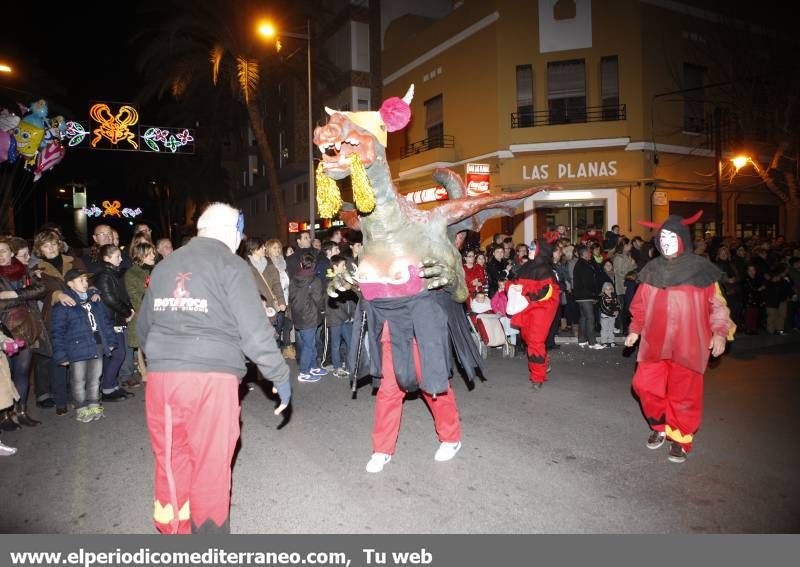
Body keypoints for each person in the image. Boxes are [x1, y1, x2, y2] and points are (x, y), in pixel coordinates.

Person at [137, 203, 290, 534]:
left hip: (163, 379)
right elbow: (254, 332)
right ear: (232, 232)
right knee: (210, 464)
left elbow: (144, 327)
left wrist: (166, 359)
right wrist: (278, 374)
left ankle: (173, 536)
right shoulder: (231, 265)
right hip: (211, 379)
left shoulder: (165, 267)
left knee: (170, 460)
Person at [625, 211, 735, 464]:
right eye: (662, 237)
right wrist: (634, 329)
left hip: (689, 344)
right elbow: (639, 306)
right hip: (655, 343)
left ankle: (681, 438)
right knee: (643, 385)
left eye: (671, 236)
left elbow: (717, 305)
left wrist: (719, 333)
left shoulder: (701, 270)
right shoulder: (652, 270)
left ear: (682, 238)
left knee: (684, 395)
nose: (665, 241)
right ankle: (660, 425)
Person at [30, 230, 88, 415]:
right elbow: (37, 292)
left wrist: (92, 291)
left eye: (53, 244)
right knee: (59, 359)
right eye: (46, 246)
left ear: (59, 244)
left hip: (78, 315)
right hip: (54, 318)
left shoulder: (74, 261)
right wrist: (56, 294)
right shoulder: (37, 269)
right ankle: (60, 399)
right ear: (40, 249)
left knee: (77, 356)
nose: (51, 249)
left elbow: (85, 280)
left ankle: (75, 393)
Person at [51, 268, 118, 423]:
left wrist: (111, 341)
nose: (85, 283)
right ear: (70, 284)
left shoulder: (94, 300)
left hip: (97, 344)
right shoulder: (63, 304)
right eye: (81, 280)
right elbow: (57, 331)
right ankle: (81, 408)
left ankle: (94, 404)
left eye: (86, 280)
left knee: (95, 377)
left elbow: (105, 322)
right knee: (78, 380)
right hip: (76, 348)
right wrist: (60, 354)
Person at [0, 236, 47, 426]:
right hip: (5, 329)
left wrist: (14, 294)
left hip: (26, 327)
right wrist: (24, 296)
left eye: (3, 251)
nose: (0, 255)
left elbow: (41, 289)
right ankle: (5, 415)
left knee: (22, 371)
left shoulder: (23, 270)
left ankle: (21, 411)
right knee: (6, 374)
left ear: (11, 252)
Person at [506, 238, 560, 389]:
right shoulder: (525, 267)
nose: (529, 251)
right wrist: (508, 286)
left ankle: (537, 377)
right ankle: (543, 363)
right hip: (527, 308)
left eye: (532, 248)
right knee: (528, 338)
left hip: (541, 309)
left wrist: (524, 292)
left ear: (540, 251)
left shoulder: (545, 270)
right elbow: (514, 282)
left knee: (535, 341)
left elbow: (546, 292)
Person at [92, 244, 137, 399]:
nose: (121, 259)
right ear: (106, 258)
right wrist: (126, 312)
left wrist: (128, 309)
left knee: (117, 354)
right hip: (111, 320)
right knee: (118, 354)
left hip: (116, 319)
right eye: (117, 256)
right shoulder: (105, 275)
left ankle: (113, 385)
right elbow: (110, 298)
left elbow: (121, 295)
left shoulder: (112, 273)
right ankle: (108, 388)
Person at [289, 252, 326, 382]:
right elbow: (318, 300)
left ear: (301, 264)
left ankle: (313, 367)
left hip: (298, 316)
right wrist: (323, 309)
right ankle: (304, 372)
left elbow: (291, 298)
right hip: (310, 316)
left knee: (310, 343)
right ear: (314, 266)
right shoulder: (315, 280)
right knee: (309, 345)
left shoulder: (294, 279)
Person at [124, 241, 156, 383]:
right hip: (142, 314)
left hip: (157, 312)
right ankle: (143, 371)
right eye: (149, 254)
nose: (153, 256)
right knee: (141, 344)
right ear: (140, 256)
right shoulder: (132, 273)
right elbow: (134, 296)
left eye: (153, 253)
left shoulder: (156, 269)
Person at [325, 255, 357, 377]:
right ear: (335, 266)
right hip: (336, 317)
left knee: (350, 342)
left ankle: (349, 366)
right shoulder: (330, 279)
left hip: (347, 317)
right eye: (343, 265)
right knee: (335, 344)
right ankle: (337, 367)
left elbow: (350, 300)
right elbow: (336, 293)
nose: (345, 267)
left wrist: (352, 314)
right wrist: (348, 285)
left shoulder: (344, 277)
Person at [265, 238, 293, 358]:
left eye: (279, 248)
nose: (277, 250)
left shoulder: (283, 262)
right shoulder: (266, 264)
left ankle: (286, 349)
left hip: (286, 297)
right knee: (277, 326)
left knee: (286, 325)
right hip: (275, 300)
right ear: (268, 249)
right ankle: (274, 353)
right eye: (274, 248)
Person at [573, 246, 603, 349]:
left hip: (580, 295)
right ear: (584, 253)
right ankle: (592, 342)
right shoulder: (584, 265)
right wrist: (593, 294)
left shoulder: (580, 264)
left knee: (584, 317)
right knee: (590, 318)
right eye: (589, 252)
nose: (590, 254)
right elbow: (588, 281)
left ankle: (582, 340)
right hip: (585, 295)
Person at [598, 282, 620, 347]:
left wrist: (617, 311)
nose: (608, 291)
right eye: (606, 289)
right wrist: (611, 312)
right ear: (603, 290)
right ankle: (604, 341)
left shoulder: (614, 296)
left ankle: (611, 341)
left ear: (612, 289)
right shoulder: (602, 297)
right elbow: (603, 307)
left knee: (611, 328)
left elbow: (618, 304)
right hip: (605, 316)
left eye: (609, 289)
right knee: (605, 329)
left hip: (612, 316)